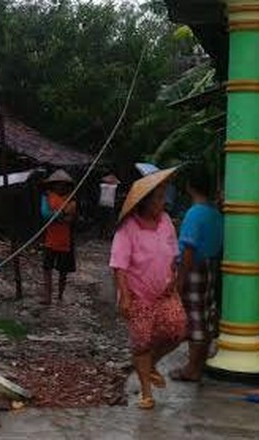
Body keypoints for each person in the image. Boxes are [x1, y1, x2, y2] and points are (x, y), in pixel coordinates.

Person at [110, 168, 187, 410]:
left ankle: (152, 363)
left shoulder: (165, 221)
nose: (163, 202)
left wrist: (174, 279)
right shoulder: (128, 228)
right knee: (141, 342)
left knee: (178, 330)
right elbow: (119, 265)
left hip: (165, 292)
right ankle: (146, 393)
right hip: (138, 295)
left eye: (163, 196)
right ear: (144, 202)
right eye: (158, 198)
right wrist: (124, 296)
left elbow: (174, 254)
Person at [170, 167, 223, 382]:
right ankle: (196, 365)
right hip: (211, 266)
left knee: (194, 320)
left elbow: (189, 249)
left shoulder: (195, 213)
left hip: (194, 268)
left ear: (189, 186)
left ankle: (192, 369)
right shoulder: (215, 214)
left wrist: (180, 280)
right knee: (206, 316)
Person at [40, 169, 77, 305]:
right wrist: (60, 214)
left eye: (63, 184)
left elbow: (70, 219)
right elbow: (45, 214)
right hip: (50, 239)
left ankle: (60, 296)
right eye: (57, 184)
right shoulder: (47, 196)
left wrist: (58, 215)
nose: (60, 186)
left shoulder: (71, 199)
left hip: (65, 240)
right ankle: (47, 296)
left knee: (63, 271)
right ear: (53, 184)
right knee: (47, 268)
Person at [99, 174, 120, 238]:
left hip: (102, 204)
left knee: (103, 220)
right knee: (110, 221)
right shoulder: (114, 187)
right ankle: (108, 234)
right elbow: (118, 183)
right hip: (110, 205)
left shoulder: (102, 186)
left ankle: (102, 234)